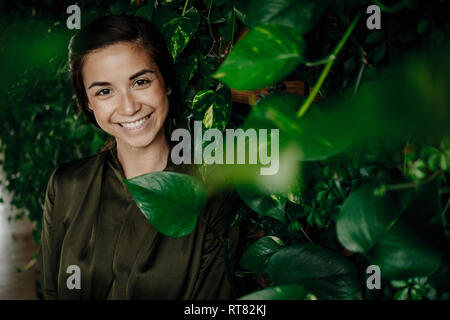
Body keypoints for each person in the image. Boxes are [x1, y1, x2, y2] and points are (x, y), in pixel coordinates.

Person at [35, 14, 243, 300]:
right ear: (88, 102)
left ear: (167, 82)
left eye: (140, 82)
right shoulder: (66, 185)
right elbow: (49, 292)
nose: (129, 107)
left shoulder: (213, 191)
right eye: (105, 91)